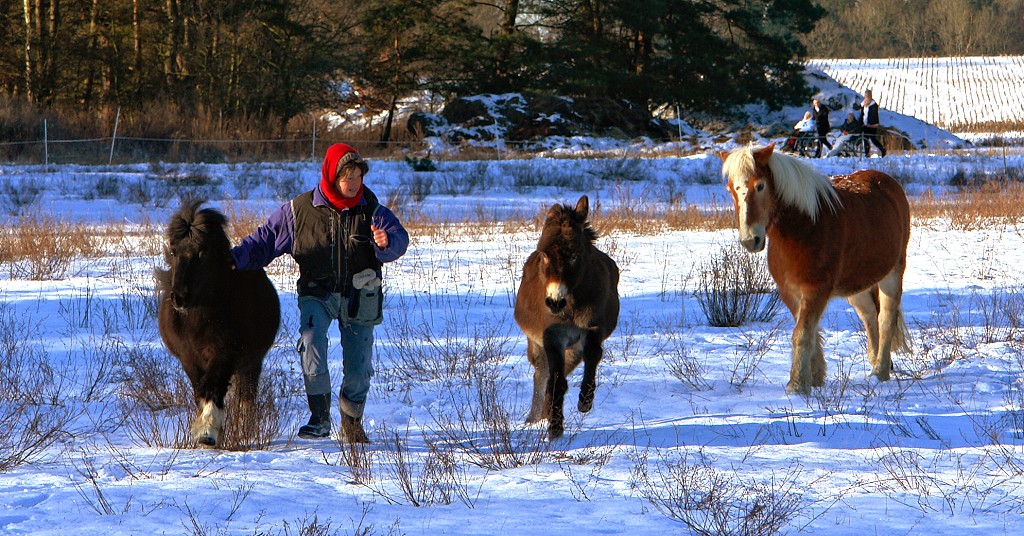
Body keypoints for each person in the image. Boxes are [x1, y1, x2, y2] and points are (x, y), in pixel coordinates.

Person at [231, 143, 409, 443]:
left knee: (360, 366)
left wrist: (386, 241)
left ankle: (351, 422)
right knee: (311, 346)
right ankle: (320, 417)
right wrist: (233, 260)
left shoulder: (373, 211)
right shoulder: (298, 211)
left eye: (357, 177)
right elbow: (264, 241)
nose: (353, 184)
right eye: (346, 177)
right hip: (318, 294)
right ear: (330, 175)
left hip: (360, 296)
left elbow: (400, 240)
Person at [859, 89, 886, 157]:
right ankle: (866, 153)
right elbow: (862, 114)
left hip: (872, 125)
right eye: (865, 95)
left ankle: (882, 149)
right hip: (865, 124)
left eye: (868, 95)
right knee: (865, 139)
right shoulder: (863, 104)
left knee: (873, 139)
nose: (866, 97)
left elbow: (873, 116)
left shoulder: (873, 105)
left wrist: (870, 123)